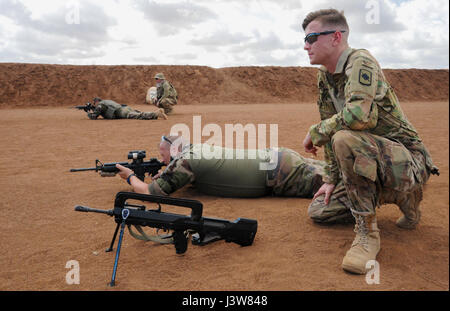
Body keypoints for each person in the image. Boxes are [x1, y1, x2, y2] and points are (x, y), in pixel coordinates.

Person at [301, 9, 439, 274]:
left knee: (344, 137)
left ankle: (368, 235)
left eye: (312, 38)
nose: (305, 45)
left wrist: (315, 131)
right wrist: (330, 179)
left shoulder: (360, 62)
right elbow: (332, 126)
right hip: (370, 159)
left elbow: (358, 116)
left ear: (336, 37)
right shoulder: (325, 77)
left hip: (408, 160)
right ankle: (399, 196)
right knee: (320, 211)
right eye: (305, 39)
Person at [115, 135, 355, 224]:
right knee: (340, 171)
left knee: (350, 184)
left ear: (173, 151)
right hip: (279, 158)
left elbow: (151, 193)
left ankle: (389, 188)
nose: (162, 160)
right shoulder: (195, 150)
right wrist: (166, 172)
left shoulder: (184, 162)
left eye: (162, 155)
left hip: (282, 175)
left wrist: (130, 177)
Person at [87, 97, 167, 120]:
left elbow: (94, 116)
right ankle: (155, 112)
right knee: (138, 113)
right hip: (125, 108)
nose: (95, 105)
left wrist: (88, 112)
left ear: (97, 102)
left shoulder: (100, 105)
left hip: (121, 112)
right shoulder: (106, 101)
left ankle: (156, 114)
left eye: (95, 104)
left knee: (139, 116)